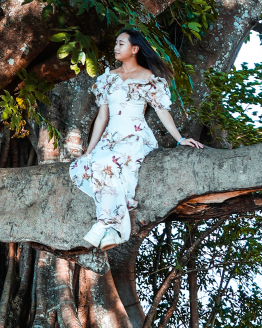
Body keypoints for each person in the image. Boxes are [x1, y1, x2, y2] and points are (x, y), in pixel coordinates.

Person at [70, 30, 202, 247]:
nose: (116, 47)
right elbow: (102, 117)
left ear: (134, 49)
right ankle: (111, 230)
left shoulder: (149, 79)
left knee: (110, 165)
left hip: (135, 135)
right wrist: (89, 149)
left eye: (121, 44)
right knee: (92, 162)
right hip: (110, 137)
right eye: (115, 43)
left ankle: (105, 225)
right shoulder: (107, 78)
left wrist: (180, 139)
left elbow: (162, 112)